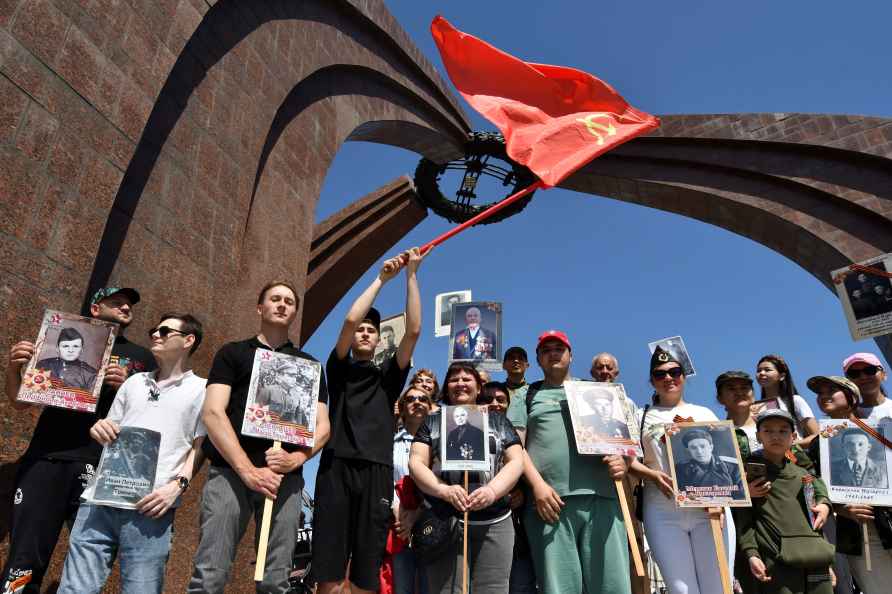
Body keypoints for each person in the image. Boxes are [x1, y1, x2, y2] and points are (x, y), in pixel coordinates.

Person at [2, 287, 155, 594]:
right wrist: (13, 367)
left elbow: (151, 414)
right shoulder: (54, 345)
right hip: (47, 458)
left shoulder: (142, 357)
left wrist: (128, 386)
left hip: (101, 466)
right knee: (25, 554)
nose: (126, 306)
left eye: (129, 303)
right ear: (96, 309)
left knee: (90, 557)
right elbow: (19, 403)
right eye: (117, 302)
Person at [188, 281, 330, 594]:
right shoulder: (233, 353)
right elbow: (213, 412)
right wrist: (247, 470)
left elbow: (323, 427)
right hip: (230, 474)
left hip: (284, 481)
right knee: (209, 574)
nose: (282, 305)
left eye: (289, 302)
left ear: (294, 312)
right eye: (274, 299)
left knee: (275, 580)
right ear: (260, 307)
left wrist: (298, 457)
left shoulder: (309, 366)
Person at [56, 313, 206, 594]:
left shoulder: (203, 389)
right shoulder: (133, 383)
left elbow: (200, 448)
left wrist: (177, 487)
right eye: (154, 330)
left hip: (150, 507)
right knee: (74, 589)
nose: (155, 335)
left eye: (164, 331)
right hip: (98, 500)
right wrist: (101, 428)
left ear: (188, 340)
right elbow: (112, 427)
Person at [314, 248, 425, 594]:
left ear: (379, 340)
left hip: (376, 472)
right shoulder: (339, 368)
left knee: (367, 570)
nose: (363, 333)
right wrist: (381, 279)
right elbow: (348, 322)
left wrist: (411, 275)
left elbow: (414, 331)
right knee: (330, 569)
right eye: (361, 329)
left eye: (370, 331)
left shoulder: (389, 378)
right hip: (336, 467)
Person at [506, 330, 630, 594]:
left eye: (559, 349)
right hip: (549, 503)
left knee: (612, 586)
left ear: (571, 356)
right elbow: (515, 448)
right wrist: (537, 486)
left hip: (603, 498)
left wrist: (624, 463)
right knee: (559, 588)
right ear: (538, 359)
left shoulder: (597, 391)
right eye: (546, 349)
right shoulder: (525, 396)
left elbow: (624, 442)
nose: (553, 353)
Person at [409, 362, 524, 594]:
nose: (460, 383)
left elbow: (516, 460)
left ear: (478, 387)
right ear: (446, 387)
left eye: (467, 378)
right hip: (447, 519)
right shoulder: (432, 421)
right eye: (454, 379)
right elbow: (416, 462)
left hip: (495, 522)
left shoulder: (498, 421)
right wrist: (444, 490)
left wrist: (492, 491)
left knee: (493, 589)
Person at [628, 346, 735, 594]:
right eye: (659, 374)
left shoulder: (704, 413)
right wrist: (650, 474)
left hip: (708, 510)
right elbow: (629, 460)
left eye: (674, 372)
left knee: (718, 587)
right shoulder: (641, 416)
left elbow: (724, 458)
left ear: (684, 375)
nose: (668, 378)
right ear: (651, 381)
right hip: (663, 511)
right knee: (681, 590)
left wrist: (723, 497)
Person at [807, 374, 892, 594]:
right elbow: (815, 486)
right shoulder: (819, 444)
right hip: (860, 535)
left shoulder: (883, 428)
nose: (824, 396)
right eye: (819, 393)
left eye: (830, 391)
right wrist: (841, 508)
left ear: (852, 396)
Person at [738, 409, 834, 594]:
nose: (776, 436)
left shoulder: (803, 474)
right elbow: (744, 519)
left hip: (816, 559)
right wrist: (751, 553)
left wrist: (824, 505)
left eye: (783, 431)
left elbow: (813, 520)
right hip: (777, 561)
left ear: (793, 437)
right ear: (758, 436)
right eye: (768, 431)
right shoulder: (748, 474)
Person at [384, 386, 433, 594]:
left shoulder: (440, 442)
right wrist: (396, 507)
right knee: (402, 588)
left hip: (433, 520)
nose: (417, 402)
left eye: (423, 398)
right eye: (411, 399)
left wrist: (419, 511)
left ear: (431, 408)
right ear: (402, 408)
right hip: (399, 523)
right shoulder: (388, 442)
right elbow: (384, 478)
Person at [755, 354, 819, 439]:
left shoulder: (795, 401)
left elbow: (817, 435)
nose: (762, 373)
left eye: (767, 370)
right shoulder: (756, 408)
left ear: (782, 376)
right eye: (759, 370)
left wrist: (790, 445)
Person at [673, 428, 744, 499]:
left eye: (703, 446)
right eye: (693, 448)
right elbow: (682, 495)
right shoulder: (681, 468)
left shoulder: (733, 466)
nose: (699, 451)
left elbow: (742, 495)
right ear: (688, 450)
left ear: (711, 447)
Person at [716, 370, 759, 453]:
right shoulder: (716, 435)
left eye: (744, 388)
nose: (739, 393)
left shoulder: (772, 429)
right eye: (731, 389)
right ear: (720, 398)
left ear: (753, 396)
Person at [843, 352, 892, 421]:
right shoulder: (845, 418)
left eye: (870, 370)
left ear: (883, 374)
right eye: (854, 373)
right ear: (849, 382)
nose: (863, 377)